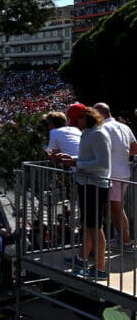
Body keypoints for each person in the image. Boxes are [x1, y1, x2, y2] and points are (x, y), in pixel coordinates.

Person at [57, 105, 112, 280]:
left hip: (96, 185)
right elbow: (87, 158)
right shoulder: (88, 132)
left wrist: (77, 164)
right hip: (87, 183)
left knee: (96, 227)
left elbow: (103, 163)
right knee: (88, 225)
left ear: (85, 116)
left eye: (77, 120)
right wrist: (70, 159)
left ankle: (101, 269)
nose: (76, 124)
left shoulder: (98, 134)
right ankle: (84, 260)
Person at [95, 102, 137, 250]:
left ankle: (125, 242)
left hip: (112, 174)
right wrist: (121, 156)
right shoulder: (124, 126)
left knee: (116, 208)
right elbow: (134, 148)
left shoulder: (102, 128)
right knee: (117, 207)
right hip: (124, 172)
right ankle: (123, 239)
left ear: (100, 114)